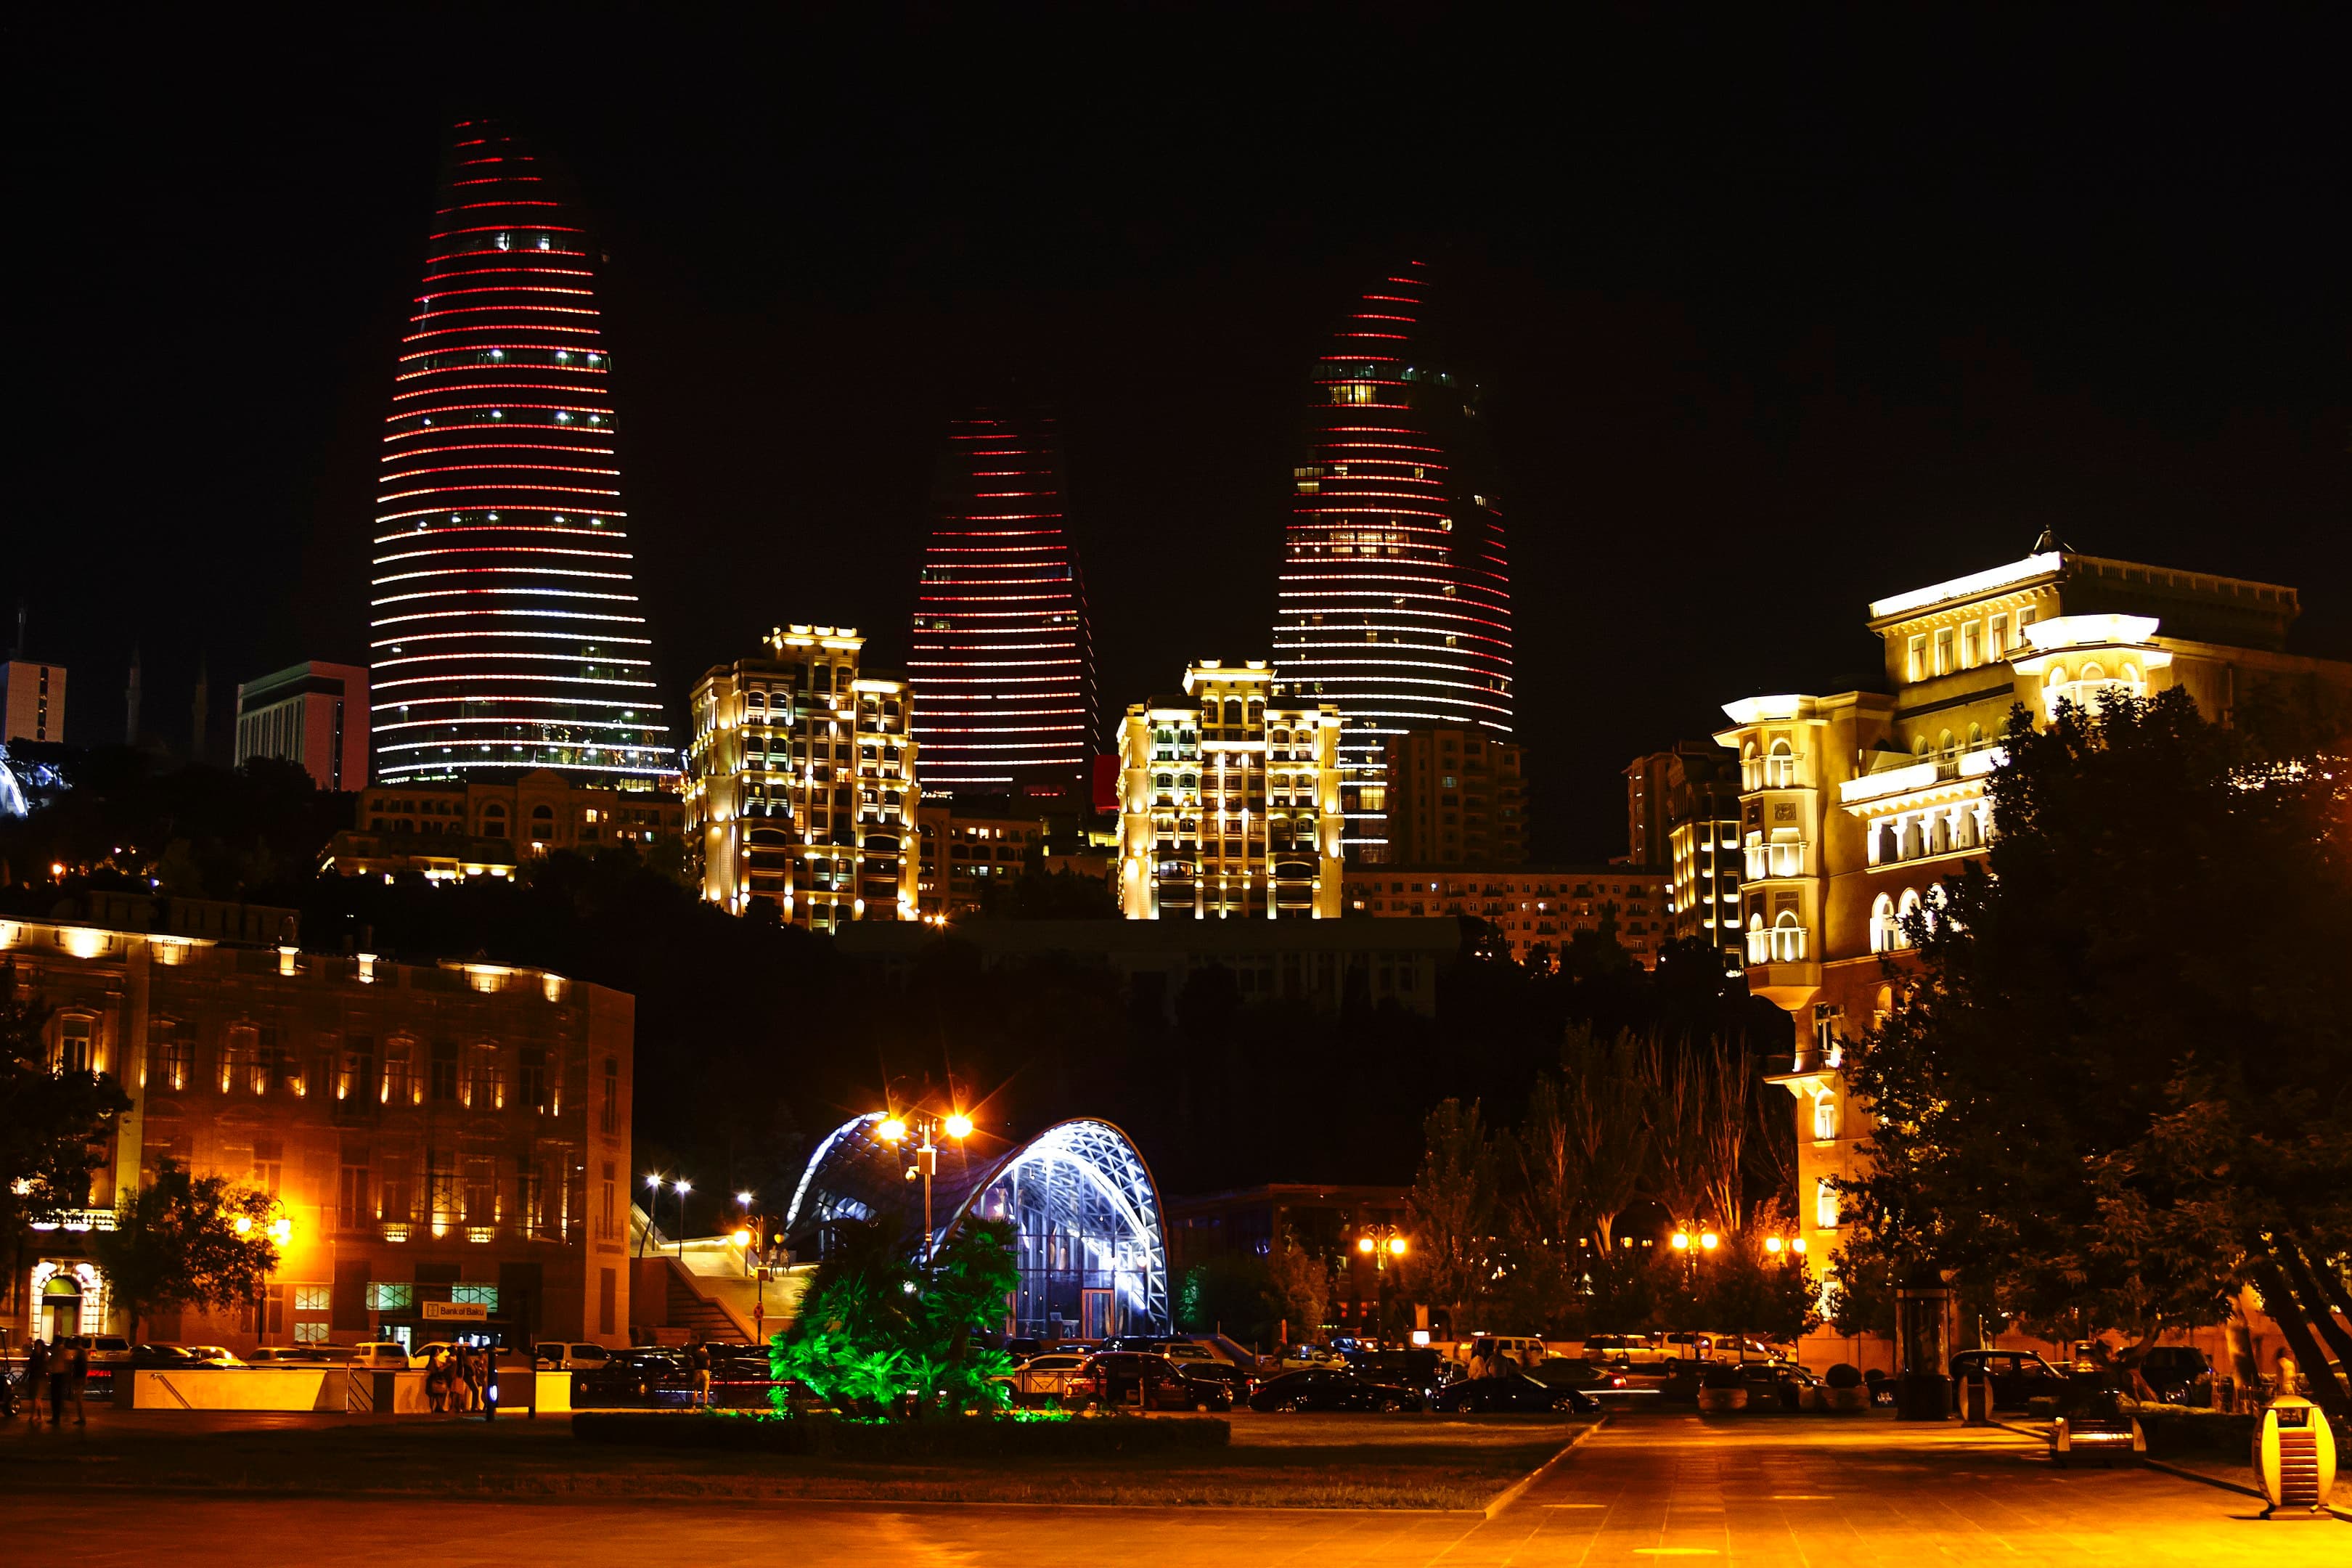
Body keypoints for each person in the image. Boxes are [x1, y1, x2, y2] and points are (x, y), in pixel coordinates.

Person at [23, 1339, 50, 1425]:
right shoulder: (35, 1356)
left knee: (36, 1398)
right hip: (34, 1378)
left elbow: (47, 1367)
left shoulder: (43, 1356)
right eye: (36, 1346)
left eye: (39, 1346)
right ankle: (40, 1416)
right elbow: (29, 1367)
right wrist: (24, 1377)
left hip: (41, 1379)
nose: (37, 1347)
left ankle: (33, 1416)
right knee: (37, 1399)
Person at [65, 1341, 87, 1425]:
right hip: (80, 1378)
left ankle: (82, 1418)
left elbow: (80, 1367)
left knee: (78, 1399)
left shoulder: (80, 1353)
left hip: (79, 1378)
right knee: (78, 1399)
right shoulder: (82, 1353)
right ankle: (81, 1418)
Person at [424, 1346, 450, 1413]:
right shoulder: (434, 1360)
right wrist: (446, 1366)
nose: (439, 1352)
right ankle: (438, 1407)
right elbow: (438, 1369)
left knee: (439, 1393)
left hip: (436, 1378)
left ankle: (439, 1407)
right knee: (438, 1392)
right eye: (438, 1351)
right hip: (435, 1378)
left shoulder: (435, 1359)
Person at [690, 1339, 713, 1408]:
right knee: (705, 1389)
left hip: (697, 1371)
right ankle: (705, 1404)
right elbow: (709, 1364)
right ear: (704, 1346)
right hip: (705, 1371)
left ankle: (694, 1405)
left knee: (696, 1389)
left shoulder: (695, 1354)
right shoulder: (707, 1354)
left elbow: (692, 1363)